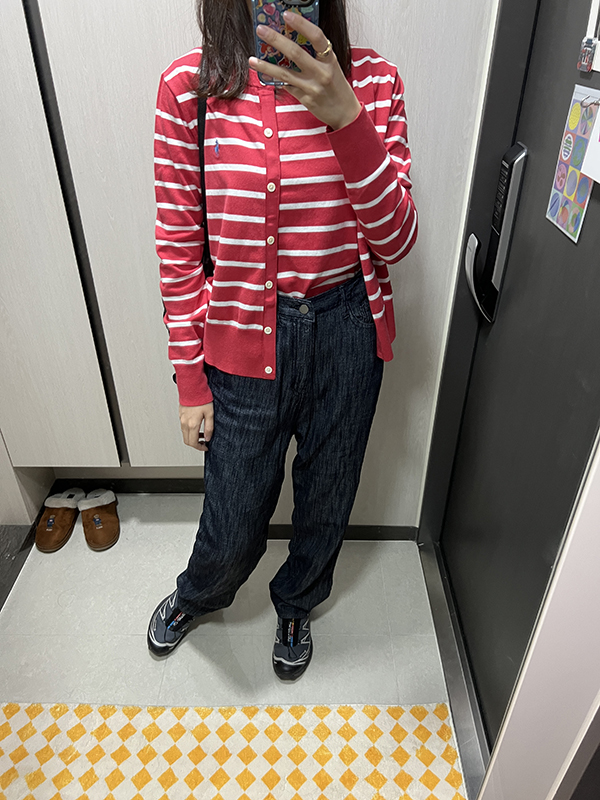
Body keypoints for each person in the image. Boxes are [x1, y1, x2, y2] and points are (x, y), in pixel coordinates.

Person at [147, 0, 417, 681]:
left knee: (328, 496)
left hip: (348, 328)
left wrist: (347, 117)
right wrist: (190, 380)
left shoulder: (375, 82)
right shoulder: (190, 89)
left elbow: (396, 240)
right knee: (234, 512)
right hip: (241, 334)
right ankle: (200, 592)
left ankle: (297, 602)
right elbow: (179, 248)